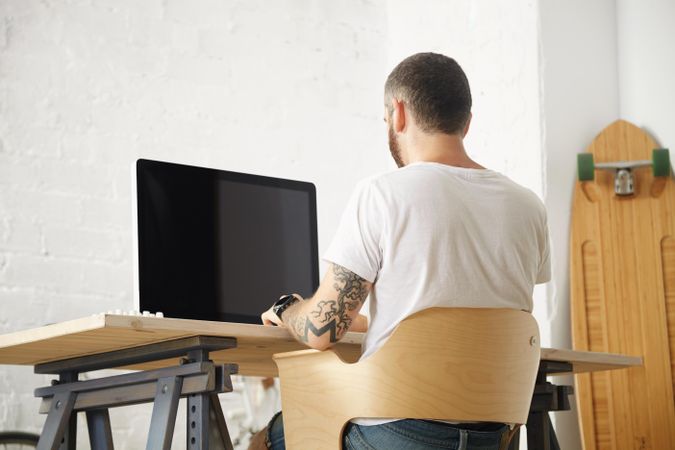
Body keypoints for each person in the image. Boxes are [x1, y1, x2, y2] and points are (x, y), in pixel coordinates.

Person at [250, 52, 550, 450]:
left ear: (398, 113)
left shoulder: (382, 194)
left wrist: (288, 308)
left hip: (398, 434)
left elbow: (324, 329)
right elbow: (461, 308)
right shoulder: (528, 206)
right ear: (466, 122)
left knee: (273, 436)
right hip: (495, 435)